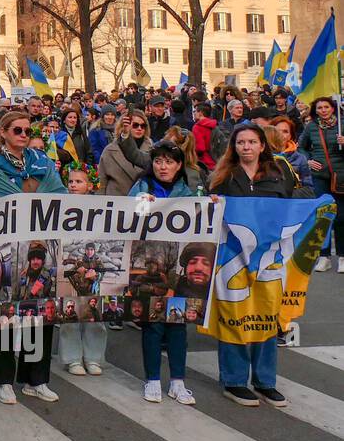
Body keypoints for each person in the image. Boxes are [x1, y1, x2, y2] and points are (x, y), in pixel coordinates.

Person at [0, 110, 63, 405]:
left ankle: (35, 379)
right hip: (6, 246)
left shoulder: (42, 161)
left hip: (38, 242)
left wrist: (30, 195)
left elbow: (58, 193)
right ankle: (2, 380)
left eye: (27, 130)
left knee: (39, 310)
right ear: (4, 133)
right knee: (2, 312)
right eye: (17, 131)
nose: (23, 135)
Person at [208, 123, 300, 408]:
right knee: (234, 315)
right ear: (233, 147)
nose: (246, 147)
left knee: (267, 316)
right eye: (240, 143)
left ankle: (265, 381)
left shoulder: (280, 172)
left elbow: (295, 201)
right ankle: (234, 380)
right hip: (232, 258)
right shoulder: (224, 176)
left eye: (251, 142)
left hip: (268, 258)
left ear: (263, 145)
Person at [128, 142, 204, 404]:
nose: (163, 166)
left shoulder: (188, 191)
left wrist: (211, 205)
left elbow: (201, 220)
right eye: (159, 161)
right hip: (151, 263)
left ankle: (177, 382)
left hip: (176, 272)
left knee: (178, 327)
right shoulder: (141, 186)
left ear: (179, 165)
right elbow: (125, 216)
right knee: (153, 326)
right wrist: (139, 204)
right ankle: (151, 380)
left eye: (169, 161)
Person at [296, 96, 344, 272]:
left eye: (326, 107)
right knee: (322, 216)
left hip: (341, 177)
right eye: (319, 108)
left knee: (341, 218)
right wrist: (307, 161)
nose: (323, 110)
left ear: (333, 108)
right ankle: (323, 257)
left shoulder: (341, 124)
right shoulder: (311, 127)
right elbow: (300, 147)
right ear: (315, 111)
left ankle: (342, 256)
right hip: (319, 176)